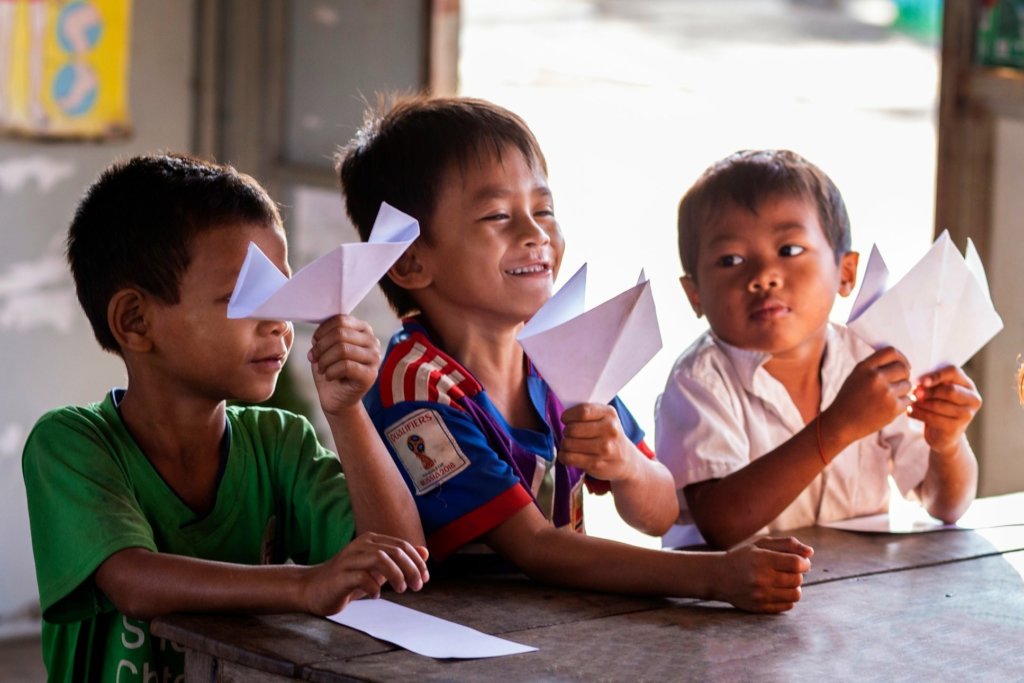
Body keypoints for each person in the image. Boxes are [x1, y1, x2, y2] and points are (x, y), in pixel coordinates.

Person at [336, 95, 813, 613]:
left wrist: (625, 463)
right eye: (498, 215)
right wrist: (716, 576)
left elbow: (661, 511)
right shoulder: (416, 386)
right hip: (455, 632)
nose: (536, 233)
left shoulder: (560, 352)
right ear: (410, 263)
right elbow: (536, 547)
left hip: (560, 624)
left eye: (543, 210)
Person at [22, 153, 429, 682]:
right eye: (248, 297)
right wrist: (304, 585)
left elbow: (399, 561)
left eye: (284, 293)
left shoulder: (279, 441)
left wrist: (347, 409)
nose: (280, 323)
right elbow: (134, 581)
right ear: (136, 320)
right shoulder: (72, 444)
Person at [656, 149, 980, 550]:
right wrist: (837, 428)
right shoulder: (700, 381)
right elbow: (721, 524)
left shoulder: (871, 361)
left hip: (857, 584)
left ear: (845, 272)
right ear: (694, 295)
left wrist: (947, 443)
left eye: (789, 250)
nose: (764, 276)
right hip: (726, 590)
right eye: (731, 259)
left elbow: (946, 506)